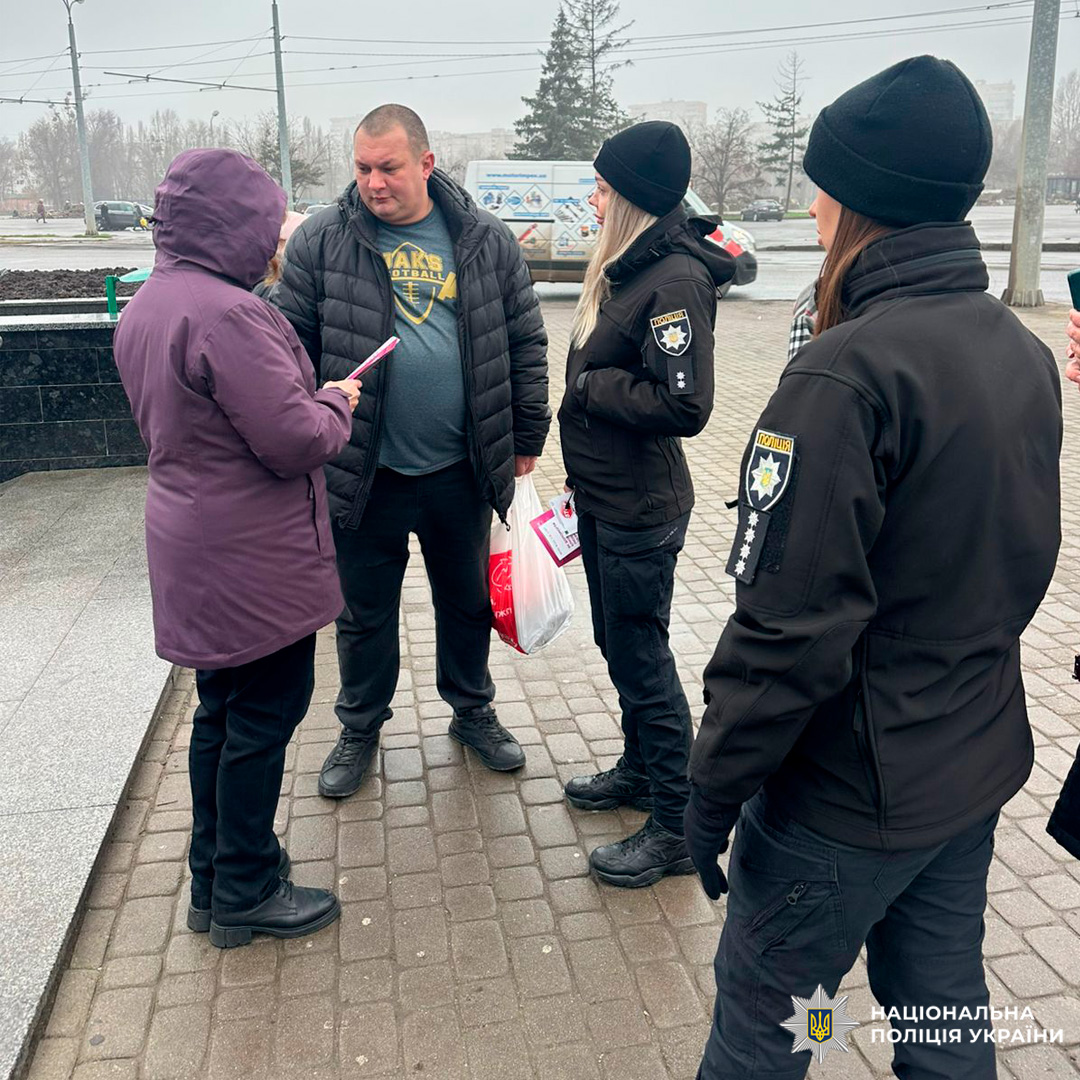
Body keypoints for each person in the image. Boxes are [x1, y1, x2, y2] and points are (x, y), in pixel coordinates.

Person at [683, 57, 1062, 1079]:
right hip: (967, 769)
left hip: (842, 806)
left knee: (770, 1028)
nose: (808, 206)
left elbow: (786, 632)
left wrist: (708, 793)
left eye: (820, 185)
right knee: (941, 1018)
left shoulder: (843, 376)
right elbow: (1024, 562)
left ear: (855, 202)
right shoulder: (1016, 349)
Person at [113, 148, 361, 948]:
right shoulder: (229, 313)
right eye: (264, 224)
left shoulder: (151, 302)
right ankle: (248, 891)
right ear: (236, 225)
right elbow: (294, 440)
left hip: (194, 543)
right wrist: (335, 400)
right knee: (262, 718)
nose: (271, 241)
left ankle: (214, 877)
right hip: (250, 556)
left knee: (221, 713)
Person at [272, 103, 550, 799]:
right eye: (362, 168)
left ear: (426, 163)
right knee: (363, 613)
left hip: (460, 466)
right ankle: (360, 727)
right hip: (362, 468)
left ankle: (472, 711)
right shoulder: (323, 241)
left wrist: (525, 435)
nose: (373, 182)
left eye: (388, 167)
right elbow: (284, 344)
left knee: (464, 602)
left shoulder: (484, 239)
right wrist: (307, 416)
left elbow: (525, 340)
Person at [558, 121, 735, 888]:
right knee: (617, 646)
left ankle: (675, 824)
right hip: (604, 496)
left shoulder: (674, 282)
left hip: (640, 508)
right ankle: (641, 769)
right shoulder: (630, 268)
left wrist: (592, 390)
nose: (592, 201)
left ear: (629, 197)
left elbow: (685, 403)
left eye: (601, 188)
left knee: (643, 661)